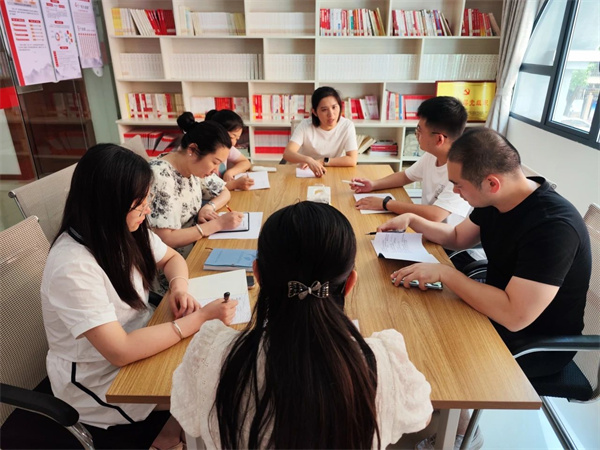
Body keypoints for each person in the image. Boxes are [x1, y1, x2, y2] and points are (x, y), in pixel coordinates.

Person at [379, 128, 591, 449]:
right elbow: (457, 237)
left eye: (459, 185)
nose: (454, 191)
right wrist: (411, 219)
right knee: (411, 314)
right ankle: (438, 408)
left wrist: (447, 275)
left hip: (536, 341)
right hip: (498, 308)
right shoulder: (497, 198)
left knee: (428, 338)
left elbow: (515, 316)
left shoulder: (553, 226)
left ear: (492, 182)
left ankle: (463, 433)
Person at [171, 201, 432, 449]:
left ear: (258, 274)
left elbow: (187, 414)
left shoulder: (212, 354)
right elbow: (421, 415)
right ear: (350, 283)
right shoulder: (382, 361)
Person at [41, 144, 238, 448]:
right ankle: (171, 432)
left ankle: (171, 431)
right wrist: (199, 318)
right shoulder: (72, 267)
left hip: (143, 339)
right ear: (108, 205)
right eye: (139, 204)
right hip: (101, 379)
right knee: (214, 389)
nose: (147, 210)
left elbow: (172, 258)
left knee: (222, 362)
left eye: (147, 200)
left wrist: (179, 287)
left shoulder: (123, 228)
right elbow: (119, 351)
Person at [353, 96, 471, 225]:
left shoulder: (463, 170)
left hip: (445, 235)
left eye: (419, 130)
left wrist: (386, 203)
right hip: (426, 227)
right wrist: (373, 184)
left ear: (439, 139)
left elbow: (436, 215)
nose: (416, 134)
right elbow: (405, 176)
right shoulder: (432, 155)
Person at [148, 117, 244, 257]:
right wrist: (218, 224)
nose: (216, 170)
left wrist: (209, 207)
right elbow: (166, 239)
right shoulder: (159, 176)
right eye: (215, 162)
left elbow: (224, 191)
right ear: (192, 150)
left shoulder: (192, 167)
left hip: (196, 245)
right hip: (172, 259)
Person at [282, 86, 358, 177]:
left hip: (333, 171)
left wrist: (322, 161)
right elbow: (287, 153)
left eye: (334, 107)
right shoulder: (305, 125)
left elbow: (352, 160)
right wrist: (308, 160)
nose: (331, 114)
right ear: (314, 112)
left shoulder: (347, 126)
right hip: (306, 172)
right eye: (324, 110)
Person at [195, 109, 254, 191]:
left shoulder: (227, 147)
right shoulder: (205, 151)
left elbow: (245, 162)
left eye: (237, 139)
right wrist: (235, 184)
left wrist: (230, 172)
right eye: (231, 137)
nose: (234, 143)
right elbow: (206, 188)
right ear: (218, 131)